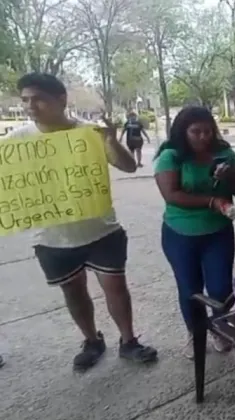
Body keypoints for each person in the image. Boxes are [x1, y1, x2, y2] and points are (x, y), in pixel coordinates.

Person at [7, 73, 158, 371]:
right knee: (73, 292)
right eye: (25, 100)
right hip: (51, 237)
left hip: (101, 230)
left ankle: (129, 341)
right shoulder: (16, 142)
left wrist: (112, 140)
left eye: (38, 98)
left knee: (116, 287)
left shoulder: (90, 133)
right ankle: (92, 340)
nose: (30, 106)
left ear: (61, 99)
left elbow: (128, 166)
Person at [154, 106, 235, 359]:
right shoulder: (171, 156)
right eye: (196, 132)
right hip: (179, 233)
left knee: (220, 288)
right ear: (183, 132)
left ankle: (219, 329)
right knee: (190, 288)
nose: (203, 137)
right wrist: (212, 202)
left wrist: (229, 177)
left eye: (208, 131)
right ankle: (195, 333)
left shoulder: (224, 153)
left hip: (217, 232)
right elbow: (171, 195)